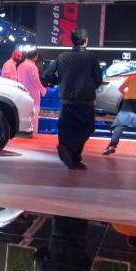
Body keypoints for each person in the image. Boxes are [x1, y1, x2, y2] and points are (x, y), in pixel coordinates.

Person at [42, 29, 103, 170]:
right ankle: (71, 152)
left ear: (72, 41)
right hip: (85, 100)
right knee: (87, 128)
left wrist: (60, 81)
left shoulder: (62, 57)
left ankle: (72, 157)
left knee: (66, 128)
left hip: (66, 100)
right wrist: (89, 87)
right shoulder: (92, 58)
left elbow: (46, 76)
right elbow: (98, 80)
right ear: (86, 41)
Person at [102, 61, 136, 159]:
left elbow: (121, 89)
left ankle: (112, 146)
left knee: (119, 126)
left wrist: (126, 96)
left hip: (128, 104)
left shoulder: (131, 78)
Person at [16, 50, 48, 136]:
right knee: (33, 114)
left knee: (22, 113)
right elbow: (35, 81)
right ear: (35, 57)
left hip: (22, 93)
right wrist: (43, 90)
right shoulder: (32, 66)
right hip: (32, 94)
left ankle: (22, 131)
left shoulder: (20, 65)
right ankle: (31, 132)